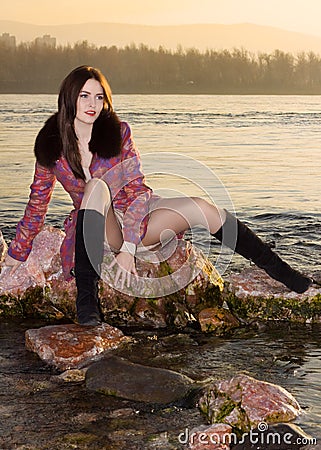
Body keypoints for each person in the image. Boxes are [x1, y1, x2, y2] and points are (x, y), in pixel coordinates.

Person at [4, 65, 315, 326]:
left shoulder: (118, 132)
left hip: (139, 218)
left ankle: (285, 274)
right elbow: (36, 204)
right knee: (96, 187)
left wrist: (128, 248)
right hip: (99, 226)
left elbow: (138, 190)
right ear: (68, 99)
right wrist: (16, 256)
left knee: (204, 208)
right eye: (84, 96)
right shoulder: (51, 147)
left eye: (99, 97)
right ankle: (87, 302)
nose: (92, 104)